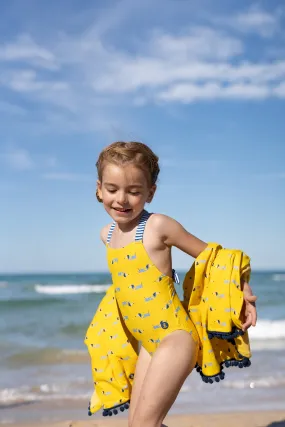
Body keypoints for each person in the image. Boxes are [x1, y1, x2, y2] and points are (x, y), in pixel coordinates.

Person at [95, 141, 257, 427]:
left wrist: (244, 292)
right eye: (112, 189)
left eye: (134, 191)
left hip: (176, 339)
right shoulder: (106, 235)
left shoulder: (158, 226)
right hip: (148, 343)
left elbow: (213, 256)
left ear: (150, 193)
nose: (122, 199)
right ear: (99, 189)